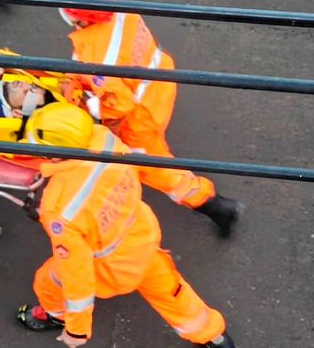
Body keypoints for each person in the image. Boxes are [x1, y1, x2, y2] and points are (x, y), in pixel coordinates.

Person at [15, 103, 236, 348]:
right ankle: (214, 337)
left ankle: (55, 316)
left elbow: (76, 274)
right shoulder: (105, 141)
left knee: (49, 281)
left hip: (111, 267)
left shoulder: (58, 207)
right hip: (142, 238)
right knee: (173, 293)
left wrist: (77, 331)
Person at [56, 0, 243, 238]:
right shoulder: (114, 7)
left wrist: (92, 111)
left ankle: (215, 205)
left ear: (83, 18)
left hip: (139, 115)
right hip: (158, 82)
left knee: (155, 168)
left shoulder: (97, 58)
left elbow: (117, 106)